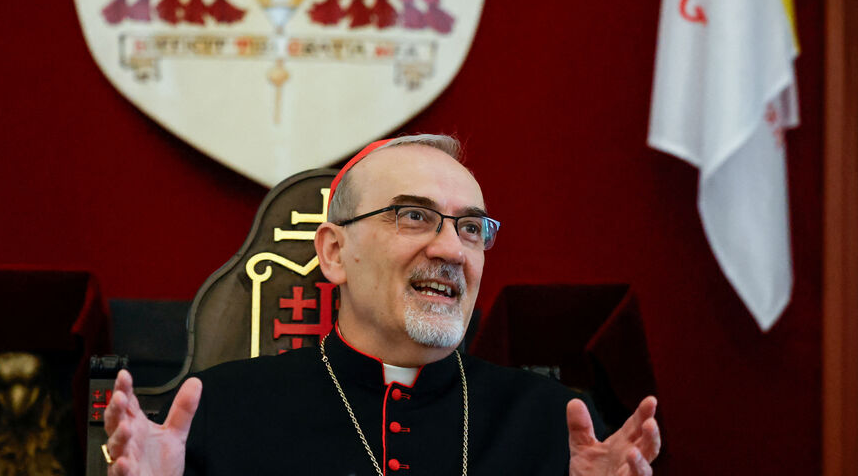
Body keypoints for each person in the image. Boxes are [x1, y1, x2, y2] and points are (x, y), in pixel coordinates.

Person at [103, 134, 661, 475]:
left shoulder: (552, 424)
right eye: (413, 216)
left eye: (470, 228)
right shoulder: (218, 413)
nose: (449, 248)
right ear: (335, 253)